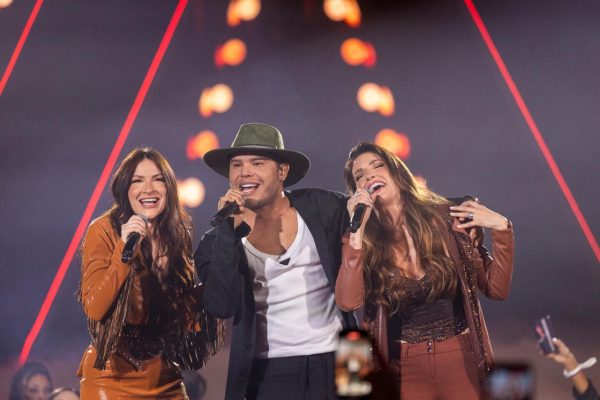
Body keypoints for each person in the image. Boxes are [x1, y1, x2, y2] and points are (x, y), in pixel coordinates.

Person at [335, 142, 515, 399]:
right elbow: (348, 301)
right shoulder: (363, 241)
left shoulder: (447, 219)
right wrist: (356, 234)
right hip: (405, 367)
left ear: (397, 172)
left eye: (377, 166)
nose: (369, 176)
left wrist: (502, 229)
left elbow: (497, 289)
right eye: (360, 176)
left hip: (461, 358)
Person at [195, 123, 356, 400]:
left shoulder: (326, 207)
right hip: (269, 370)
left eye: (257, 163)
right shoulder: (216, 241)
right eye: (236, 165)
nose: (245, 172)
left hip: (345, 355)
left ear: (282, 171)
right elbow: (221, 306)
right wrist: (227, 233)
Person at [77, 147, 224, 398]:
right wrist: (124, 250)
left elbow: (180, 309)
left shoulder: (176, 233)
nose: (149, 189)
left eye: (158, 180)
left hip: (165, 375)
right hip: (113, 377)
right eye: (138, 181)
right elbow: (95, 307)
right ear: (125, 189)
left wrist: (214, 282)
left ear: (169, 188)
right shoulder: (103, 230)